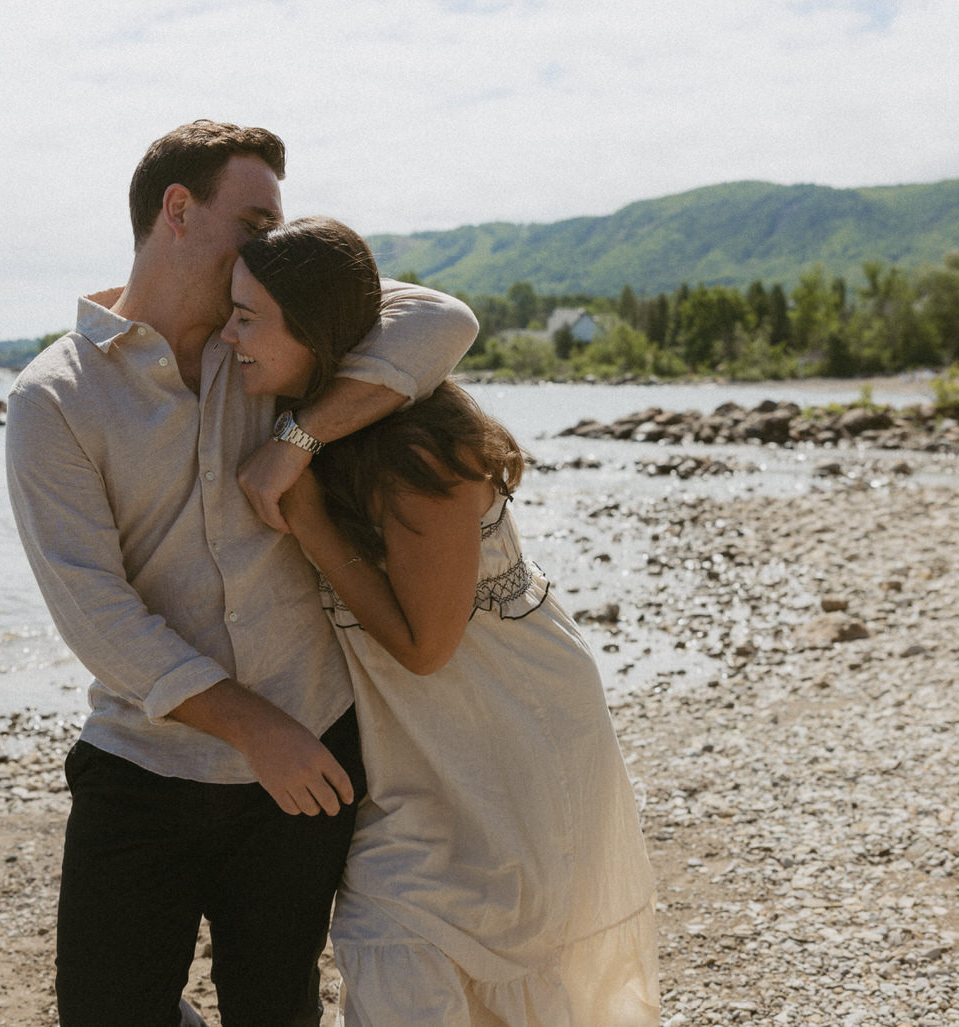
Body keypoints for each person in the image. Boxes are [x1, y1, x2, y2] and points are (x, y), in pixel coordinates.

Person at [5, 122, 477, 1026]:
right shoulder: (53, 398)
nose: (273, 247)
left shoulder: (269, 339)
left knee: (279, 1011)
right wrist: (257, 729)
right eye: (255, 222)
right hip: (146, 764)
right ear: (177, 210)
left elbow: (442, 320)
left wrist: (299, 439)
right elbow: (95, 612)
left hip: (310, 759)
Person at [220, 216, 660, 1026]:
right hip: (410, 758)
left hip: (510, 740)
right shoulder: (317, 405)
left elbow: (426, 648)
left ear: (315, 333)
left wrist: (306, 502)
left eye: (247, 316)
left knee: (518, 984)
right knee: (394, 952)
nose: (228, 332)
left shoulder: (417, 451)